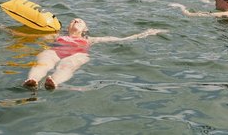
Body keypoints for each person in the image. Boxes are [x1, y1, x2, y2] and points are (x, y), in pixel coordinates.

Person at [22, 18, 162, 90]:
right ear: (67, 27)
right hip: (56, 50)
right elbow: (32, 35)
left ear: (85, 29)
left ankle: (54, 82)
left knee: (68, 64)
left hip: (77, 53)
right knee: (44, 60)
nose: (76, 21)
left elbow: (120, 39)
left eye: (80, 21)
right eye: (73, 20)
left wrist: (146, 33)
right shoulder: (56, 36)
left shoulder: (90, 40)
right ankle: (33, 80)